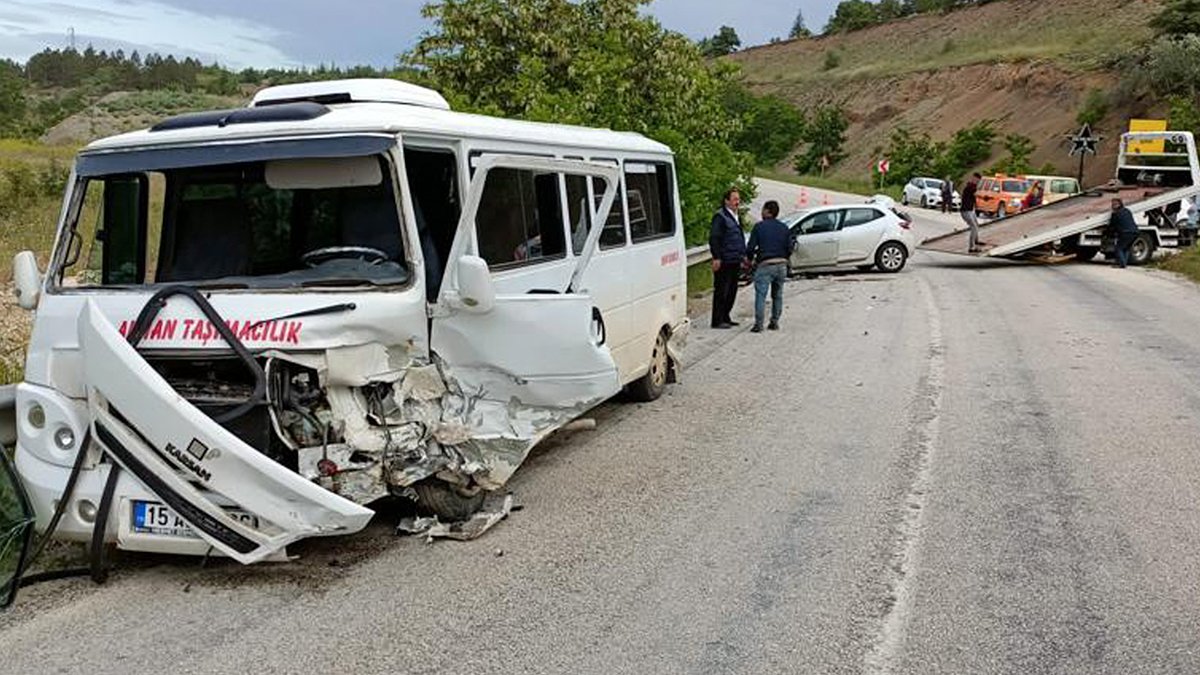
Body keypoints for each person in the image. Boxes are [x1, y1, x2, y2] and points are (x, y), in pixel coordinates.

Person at [745, 200, 790, 333]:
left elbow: (751, 247)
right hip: (781, 265)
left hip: (765, 265)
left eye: (763, 209)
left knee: (761, 295)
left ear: (767, 211)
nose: (761, 212)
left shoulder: (759, 227)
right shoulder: (784, 228)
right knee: (778, 295)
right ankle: (774, 322)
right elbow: (789, 247)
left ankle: (759, 325)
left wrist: (750, 260)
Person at [709, 188, 747, 329]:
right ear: (727, 201)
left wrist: (743, 255)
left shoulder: (736, 216)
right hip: (724, 259)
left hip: (735, 258)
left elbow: (739, 237)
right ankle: (717, 319)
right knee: (721, 290)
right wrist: (717, 257)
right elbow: (715, 238)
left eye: (738, 199)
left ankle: (726, 316)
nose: (737, 202)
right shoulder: (720, 217)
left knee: (732, 290)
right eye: (735, 199)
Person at [1109, 198, 1139, 268]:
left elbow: (1112, 225)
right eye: (1112, 204)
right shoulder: (1127, 210)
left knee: (1118, 248)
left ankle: (1122, 264)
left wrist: (1109, 233)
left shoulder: (1115, 213)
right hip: (1135, 232)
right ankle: (1124, 263)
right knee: (1126, 248)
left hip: (1126, 232)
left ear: (1119, 204)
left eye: (1114, 204)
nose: (1112, 206)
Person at [960, 172, 982, 253]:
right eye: (976, 180)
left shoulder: (973, 186)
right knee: (974, 227)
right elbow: (976, 194)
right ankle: (971, 247)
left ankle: (976, 241)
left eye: (978, 180)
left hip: (970, 210)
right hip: (965, 211)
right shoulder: (970, 187)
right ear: (973, 178)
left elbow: (974, 198)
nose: (977, 182)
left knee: (976, 225)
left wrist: (977, 206)